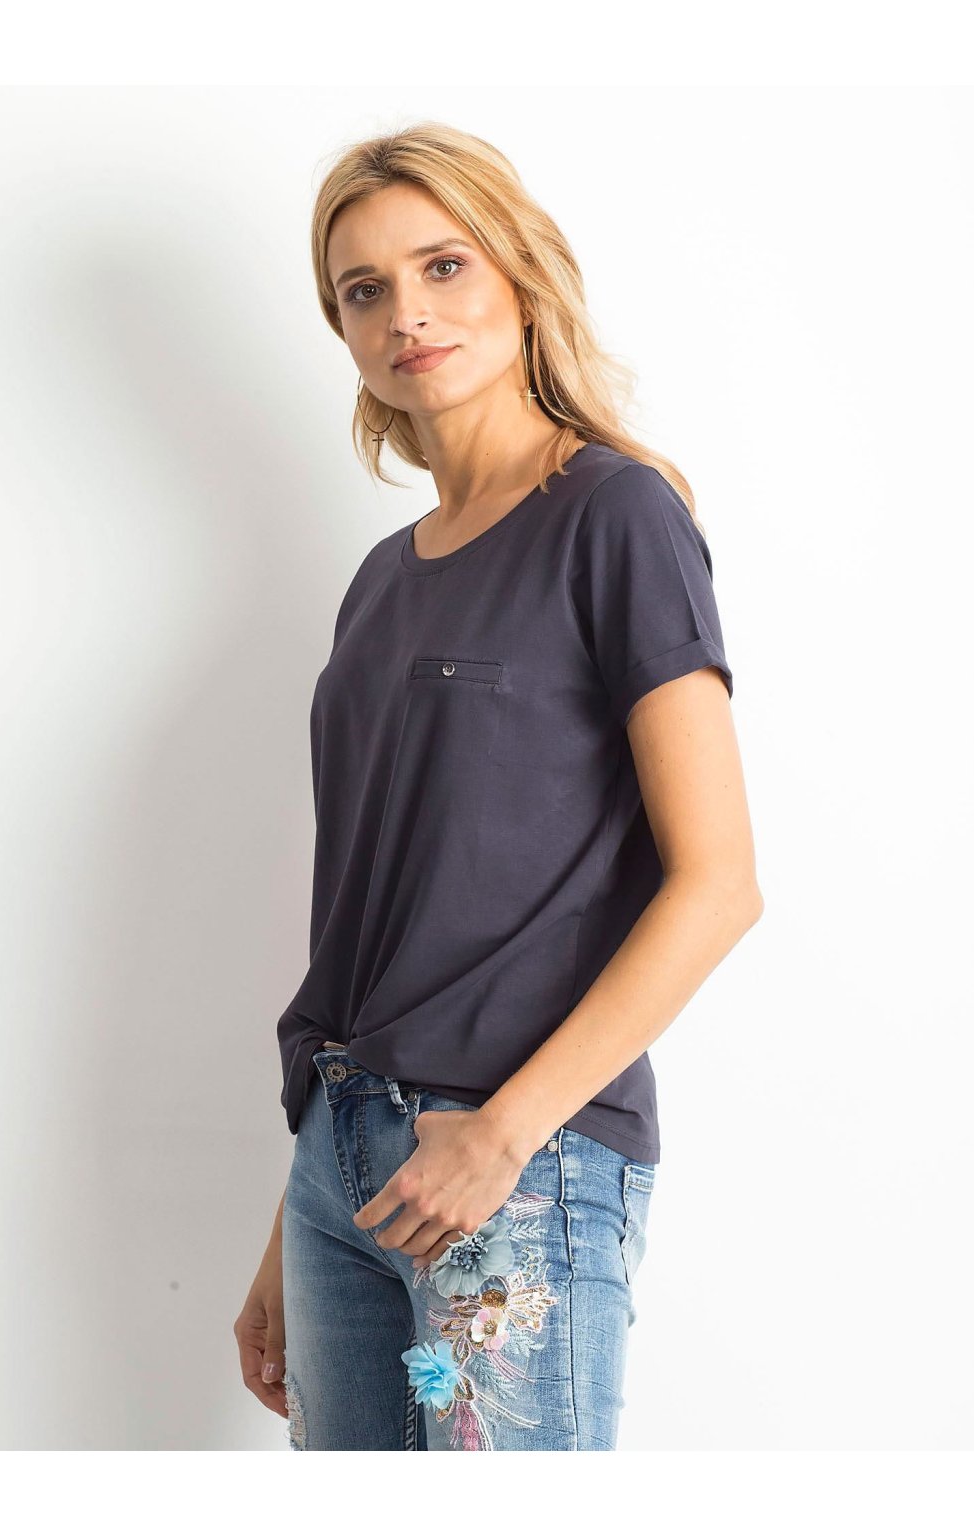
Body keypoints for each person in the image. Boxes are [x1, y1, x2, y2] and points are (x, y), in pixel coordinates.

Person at [233, 120, 763, 1451]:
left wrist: (505, 1132)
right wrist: (294, 1213)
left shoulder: (615, 516)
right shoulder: (380, 582)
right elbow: (376, 924)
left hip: (511, 1169)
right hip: (345, 1166)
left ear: (521, 274)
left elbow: (718, 882)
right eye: (364, 290)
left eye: (443, 266)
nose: (406, 314)